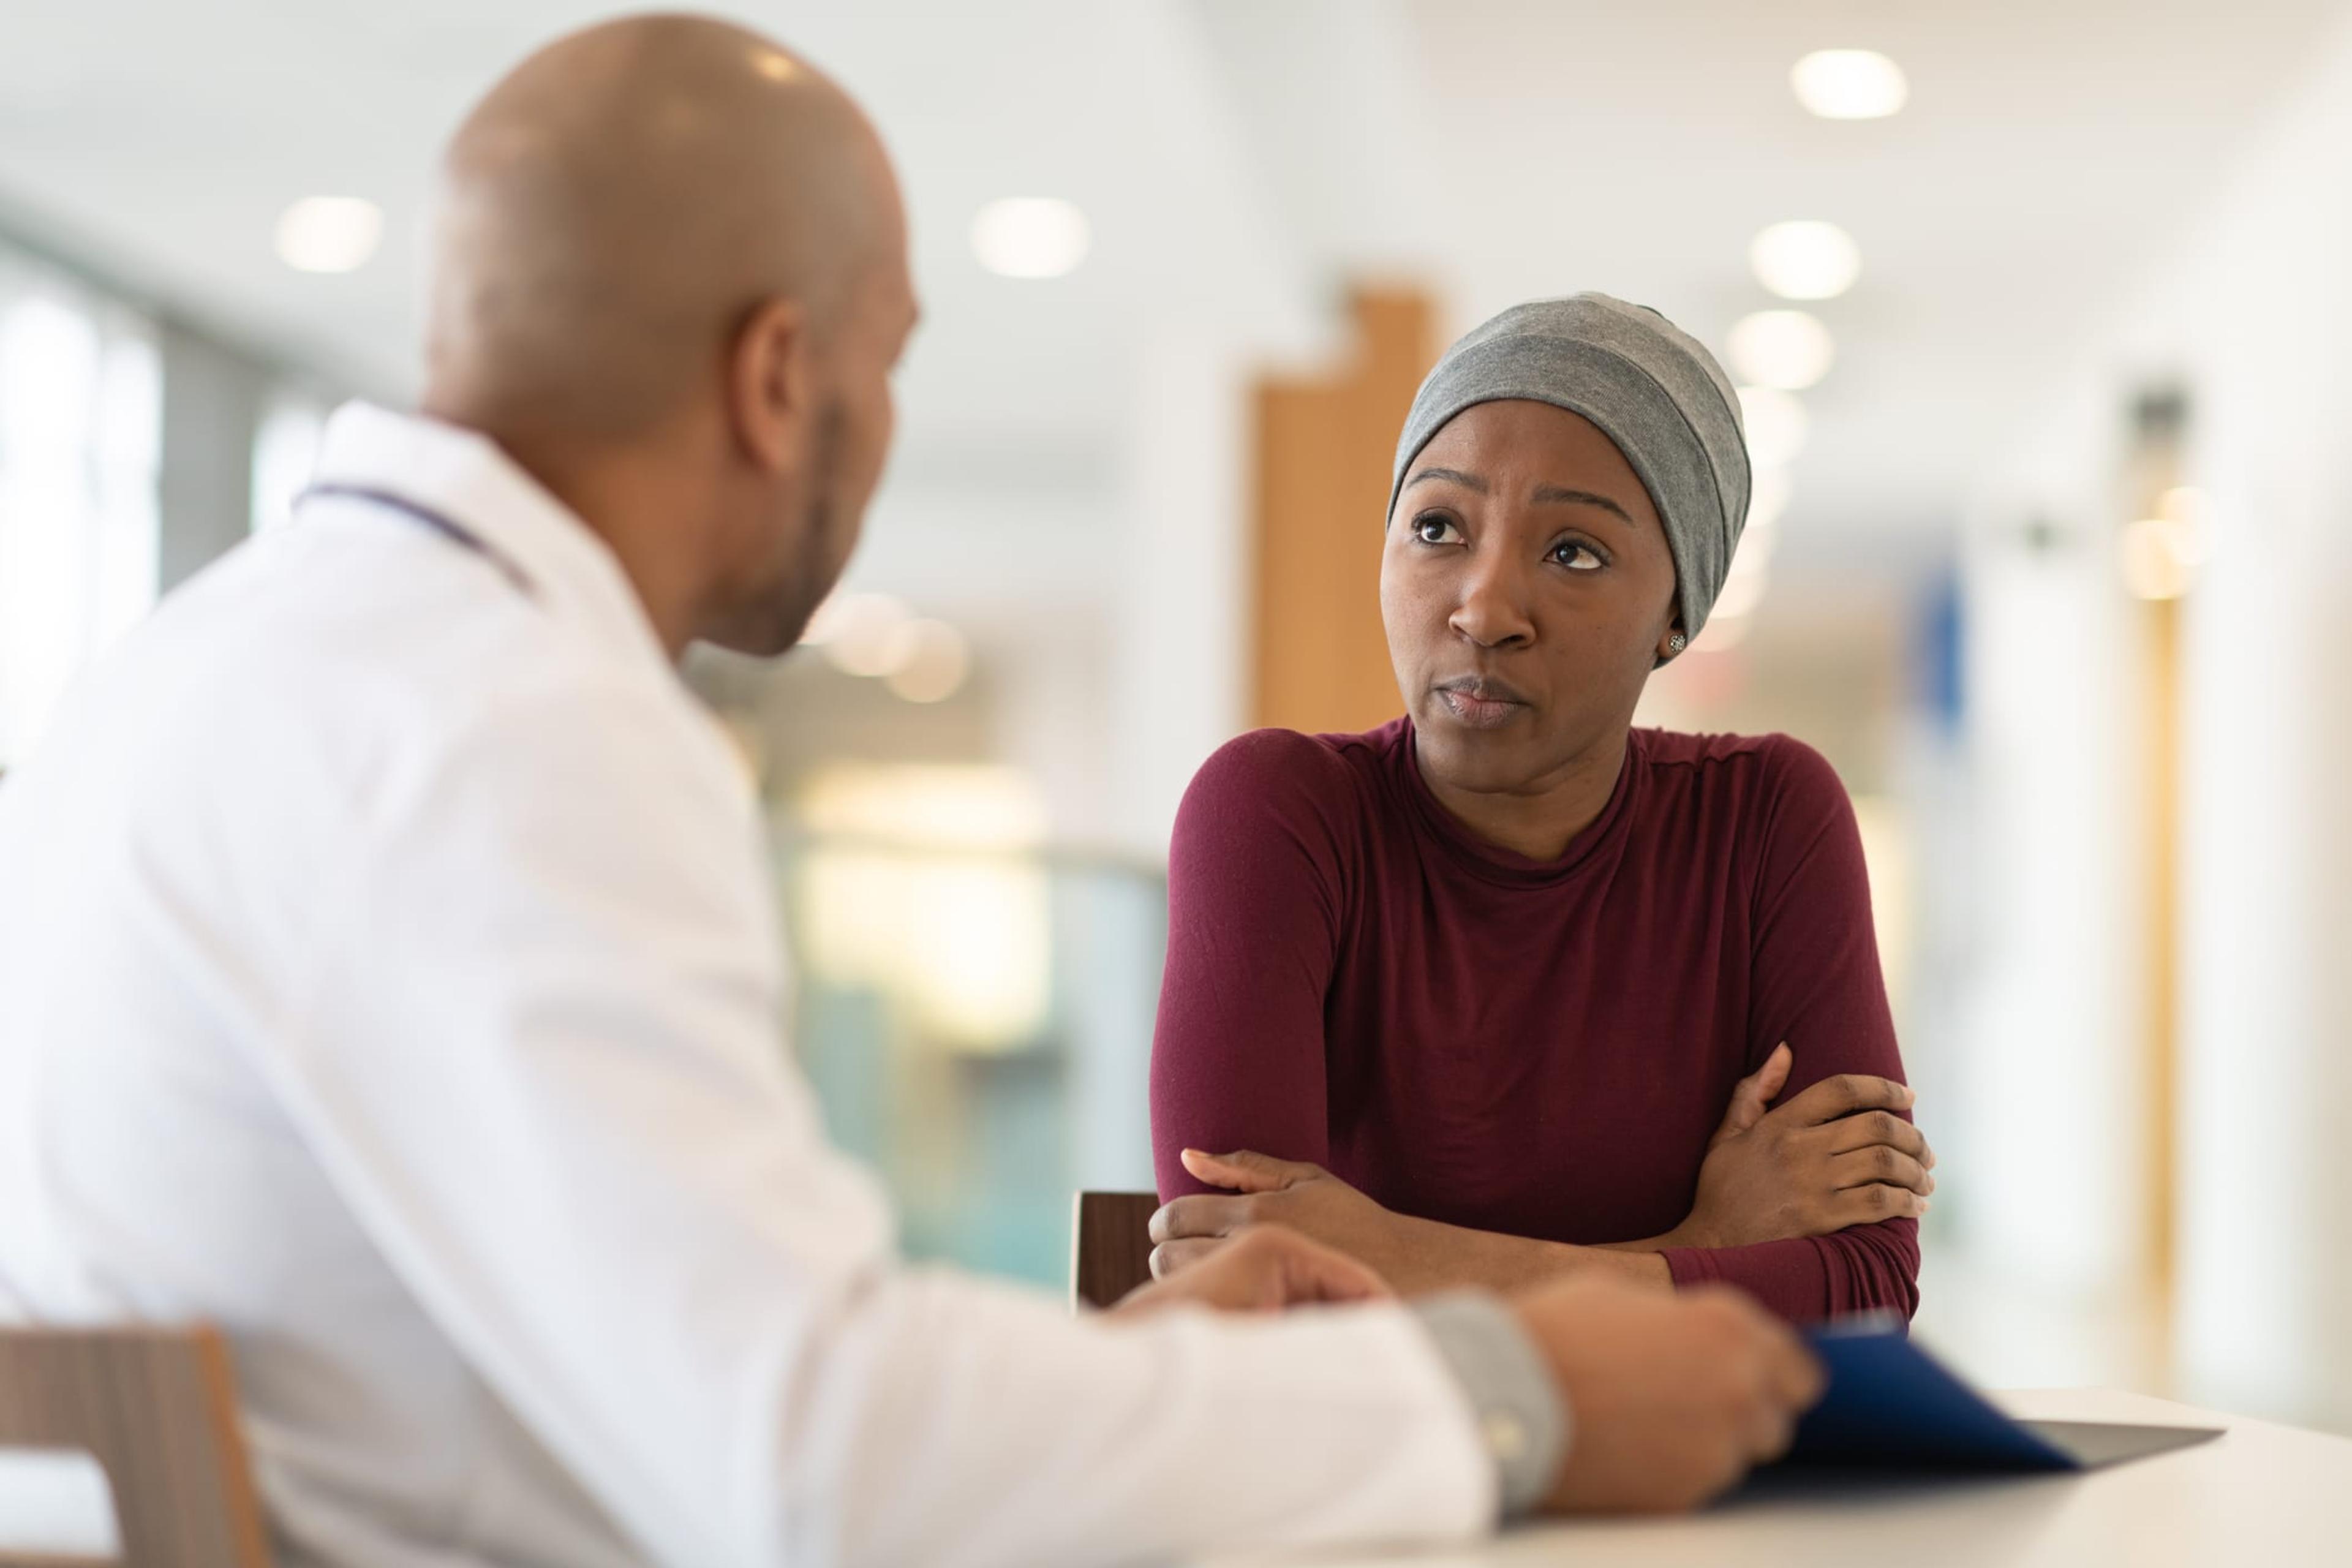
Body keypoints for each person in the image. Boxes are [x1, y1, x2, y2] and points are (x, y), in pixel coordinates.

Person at [0, 17, 1822, 1568]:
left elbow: (723, 1371)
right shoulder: (509, 729)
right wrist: (1518, 1398)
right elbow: (825, 1460)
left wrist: (1145, 1377)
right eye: (886, 361)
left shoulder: (206, 666)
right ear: (782, 378)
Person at [1149, 295, 1929, 1324]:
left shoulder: (1767, 821)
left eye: (1574, 553)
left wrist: (1391, 1256)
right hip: (1377, 1480)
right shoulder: (1279, 815)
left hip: (1695, 1483)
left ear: (1676, 620)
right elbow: (1249, 1295)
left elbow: (1866, 1292)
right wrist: (1707, 1247)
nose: (1482, 609)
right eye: (1437, 527)